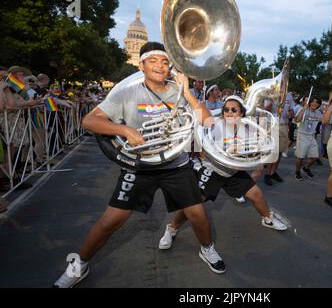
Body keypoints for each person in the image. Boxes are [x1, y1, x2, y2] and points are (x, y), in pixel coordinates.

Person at [53, 42, 226, 288]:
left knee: (198, 214)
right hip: (139, 165)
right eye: (153, 60)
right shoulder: (126, 91)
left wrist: (187, 92)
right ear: (141, 64)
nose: (160, 66)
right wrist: (122, 128)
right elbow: (89, 121)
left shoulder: (179, 90)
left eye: (165, 62)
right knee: (110, 221)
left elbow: (208, 121)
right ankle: (79, 264)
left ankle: (207, 248)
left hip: (176, 165)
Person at [159, 95, 287, 251]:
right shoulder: (215, 124)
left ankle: (267, 218)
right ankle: (171, 228)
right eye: (226, 109)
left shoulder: (248, 128)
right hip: (212, 170)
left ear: (241, 113)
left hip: (233, 171)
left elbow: (255, 150)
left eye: (234, 109)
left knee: (256, 194)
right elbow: (199, 140)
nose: (229, 112)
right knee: (194, 204)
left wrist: (253, 159)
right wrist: (201, 150)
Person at [263, 92, 295, 185]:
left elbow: (291, 110)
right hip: (272, 124)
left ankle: (273, 172)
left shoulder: (289, 95)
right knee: (272, 151)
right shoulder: (270, 94)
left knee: (280, 151)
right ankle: (267, 174)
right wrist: (274, 98)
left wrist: (291, 113)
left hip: (284, 125)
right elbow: (266, 109)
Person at [294, 97, 323, 180]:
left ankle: (305, 168)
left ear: (319, 104)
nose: (314, 104)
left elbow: (324, 121)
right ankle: (297, 172)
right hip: (302, 136)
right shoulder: (304, 110)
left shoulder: (318, 113)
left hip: (311, 136)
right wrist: (303, 109)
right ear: (309, 102)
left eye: (317, 102)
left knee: (314, 157)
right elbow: (297, 120)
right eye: (313, 102)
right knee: (300, 157)